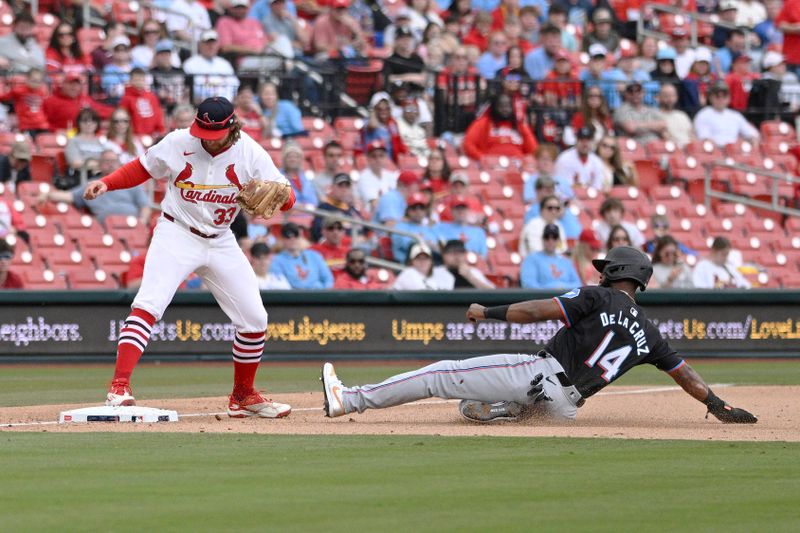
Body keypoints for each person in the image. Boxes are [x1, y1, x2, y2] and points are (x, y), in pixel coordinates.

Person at [321, 246, 758, 425]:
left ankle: (350, 400)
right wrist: (718, 407)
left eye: (606, 267)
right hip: (566, 407)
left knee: (442, 374)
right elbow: (686, 375)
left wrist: (486, 310)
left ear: (617, 273)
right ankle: (506, 409)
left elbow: (534, 311)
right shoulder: (650, 333)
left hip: (542, 373)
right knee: (482, 408)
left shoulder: (595, 296)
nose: (600, 271)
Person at [81, 96, 295, 418]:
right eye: (202, 130)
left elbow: (288, 198)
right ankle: (119, 387)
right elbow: (142, 168)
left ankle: (242, 396)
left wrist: (280, 195)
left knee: (254, 319)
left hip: (221, 239)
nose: (205, 138)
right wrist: (106, 183)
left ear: (231, 127)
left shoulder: (250, 151)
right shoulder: (180, 141)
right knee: (148, 304)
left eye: (213, 133)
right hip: (176, 232)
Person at [43, 150, 151, 225]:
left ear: (119, 163)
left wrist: (142, 221)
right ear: (99, 165)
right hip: (106, 228)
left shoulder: (131, 181)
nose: (110, 164)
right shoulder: (92, 185)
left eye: (113, 161)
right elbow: (69, 196)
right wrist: (47, 195)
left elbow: (145, 206)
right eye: (106, 161)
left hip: (133, 224)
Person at [462, 92, 537, 160]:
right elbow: (468, 144)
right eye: (501, 106)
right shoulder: (482, 123)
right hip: (491, 166)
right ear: (494, 107)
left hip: (517, 166)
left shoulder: (520, 125)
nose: (505, 109)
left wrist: (526, 161)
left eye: (508, 106)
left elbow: (533, 149)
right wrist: (481, 158)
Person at [693, 81, 760, 147]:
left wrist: (752, 139)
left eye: (724, 96)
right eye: (717, 96)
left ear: (729, 98)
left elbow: (753, 134)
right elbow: (704, 139)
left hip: (735, 152)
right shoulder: (703, 114)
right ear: (710, 97)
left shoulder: (735, 115)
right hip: (713, 153)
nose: (721, 99)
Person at [271, 222, 334, 289]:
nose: (292, 239)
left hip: (319, 295)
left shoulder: (315, 256)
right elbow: (280, 286)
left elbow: (328, 279)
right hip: (292, 297)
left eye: (296, 235)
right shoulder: (276, 261)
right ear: (282, 239)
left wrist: (324, 295)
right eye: (288, 236)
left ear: (300, 237)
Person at [182, 30, 240, 104]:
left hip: (226, 105)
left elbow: (235, 85)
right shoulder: (190, 64)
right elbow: (190, 90)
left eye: (213, 43)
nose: (211, 46)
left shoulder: (225, 64)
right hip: (201, 106)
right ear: (200, 45)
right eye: (207, 43)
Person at [43, 73, 114, 131]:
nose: (74, 87)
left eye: (77, 84)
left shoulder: (85, 99)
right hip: (63, 137)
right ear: (62, 84)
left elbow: (104, 110)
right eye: (70, 83)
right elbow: (42, 123)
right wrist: (56, 130)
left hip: (87, 135)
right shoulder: (50, 101)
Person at [519, 223, 580, 289]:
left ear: (558, 240)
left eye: (554, 237)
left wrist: (561, 288)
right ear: (542, 239)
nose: (550, 241)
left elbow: (577, 284)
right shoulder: (531, 259)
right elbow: (529, 285)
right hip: (543, 298)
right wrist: (554, 289)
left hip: (564, 298)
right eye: (547, 237)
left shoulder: (566, 261)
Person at [553, 126, 607, 194]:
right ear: (576, 140)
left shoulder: (597, 161)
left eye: (588, 140)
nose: (585, 144)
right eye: (582, 140)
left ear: (592, 141)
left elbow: (598, 188)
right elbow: (560, 188)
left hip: (591, 200)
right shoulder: (564, 159)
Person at [312, 173, 365, 242]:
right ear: (332, 187)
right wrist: (351, 240)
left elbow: (367, 231)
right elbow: (318, 233)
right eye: (340, 186)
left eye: (347, 186)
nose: (344, 190)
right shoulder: (324, 207)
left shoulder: (353, 210)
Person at [0, 68, 49, 137]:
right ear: (27, 79)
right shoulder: (18, 91)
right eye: (34, 81)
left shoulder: (41, 91)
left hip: (41, 124)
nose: (36, 84)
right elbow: (4, 97)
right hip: (26, 125)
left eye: (39, 82)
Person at [119, 68, 166, 137]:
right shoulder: (126, 99)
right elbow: (123, 117)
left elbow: (158, 114)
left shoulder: (152, 96)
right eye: (136, 80)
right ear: (130, 81)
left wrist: (160, 129)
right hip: (135, 135)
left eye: (142, 80)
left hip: (152, 135)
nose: (139, 82)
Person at [391, 192, 438, 261]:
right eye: (414, 208)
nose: (418, 211)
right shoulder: (400, 227)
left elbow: (435, 247)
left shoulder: (428, 229)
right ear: (408, 210)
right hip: (405, 265)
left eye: (421, 208)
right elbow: (410, 246)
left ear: (425, 211)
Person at [357, 140, 399, 212]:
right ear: (368, 159)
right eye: (374, 156)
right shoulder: (364, 177)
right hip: (371, 219)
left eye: (381, 156)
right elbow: (374, 205)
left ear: (386, 157)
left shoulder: (391, 176)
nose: (378, 159)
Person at [657, 83, 695, 148]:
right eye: (666, 95)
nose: (670, 98)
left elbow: (692, 136)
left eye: (673, 95)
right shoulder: (656, 116)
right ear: (659, 97)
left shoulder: (682, 115)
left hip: (689, 151)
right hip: (672, 151)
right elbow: (665, 138)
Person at [281, 142, 318, 207]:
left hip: (310, 213)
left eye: (296, 157)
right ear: (284, 159)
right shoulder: (278, 176)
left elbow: (314, 200)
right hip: (288, 215)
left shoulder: (307, 177)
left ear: (301, 159)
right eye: (289, 156)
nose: (293, 159)